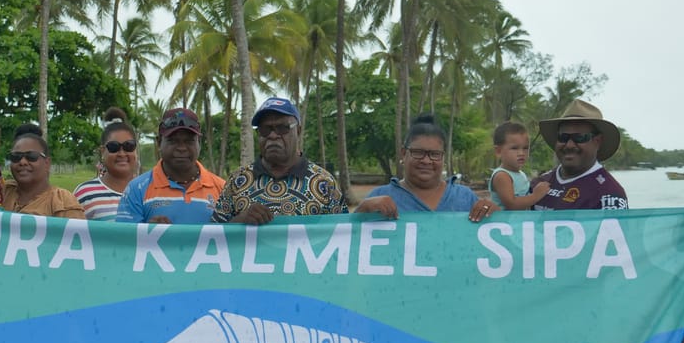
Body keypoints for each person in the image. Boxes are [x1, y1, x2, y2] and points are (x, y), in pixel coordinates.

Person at [211, 97, 346, 224]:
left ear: (298, 131)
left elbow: (344, 235)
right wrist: (240, 220)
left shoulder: (324, 183)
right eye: (265, 129)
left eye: (282, 128)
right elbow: (211, 238)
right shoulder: (238, 181)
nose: (273, 136)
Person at [355, 113, 495, 221]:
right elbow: (348, 237)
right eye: (418, 153)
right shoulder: (379, 197)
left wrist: (494, 212)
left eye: (434, 154)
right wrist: (363, 209)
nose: (426, 161)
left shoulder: (464, 197)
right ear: (404, 154)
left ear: (443, 157)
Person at [116, 107, 225, 224]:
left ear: (199, 143)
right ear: (159, 143)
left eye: (189, 141)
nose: (182, 148)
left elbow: (233, 237)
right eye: (173, 141)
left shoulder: (222, 189)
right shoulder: (136, 190)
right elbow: (124, 239)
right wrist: (147, 233)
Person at [532, 99, 628, 210]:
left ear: (597, 141)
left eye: (579, 137)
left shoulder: (609, 195)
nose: (569, 145)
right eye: (563, 137)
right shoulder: (538, 183)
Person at [74, 107, 140, 221]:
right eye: (114, 147)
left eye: (128, 146)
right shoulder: (84, 194)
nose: (122, 153)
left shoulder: (151, 191)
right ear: (102, 151)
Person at [1, 132, 85, 219]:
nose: (23, 162)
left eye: (31, 156)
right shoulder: (1, 192)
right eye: (16, 156)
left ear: (47, 163)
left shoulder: (63, 201)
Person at [488, 121, 549, 210]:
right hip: (507, 222)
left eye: (525, 148)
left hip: (518, 222)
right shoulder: (502, 176)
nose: (521, 153)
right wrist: (536, 196)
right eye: (514, 148)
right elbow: (512, 204)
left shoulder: (520, 173)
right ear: (498, 151)